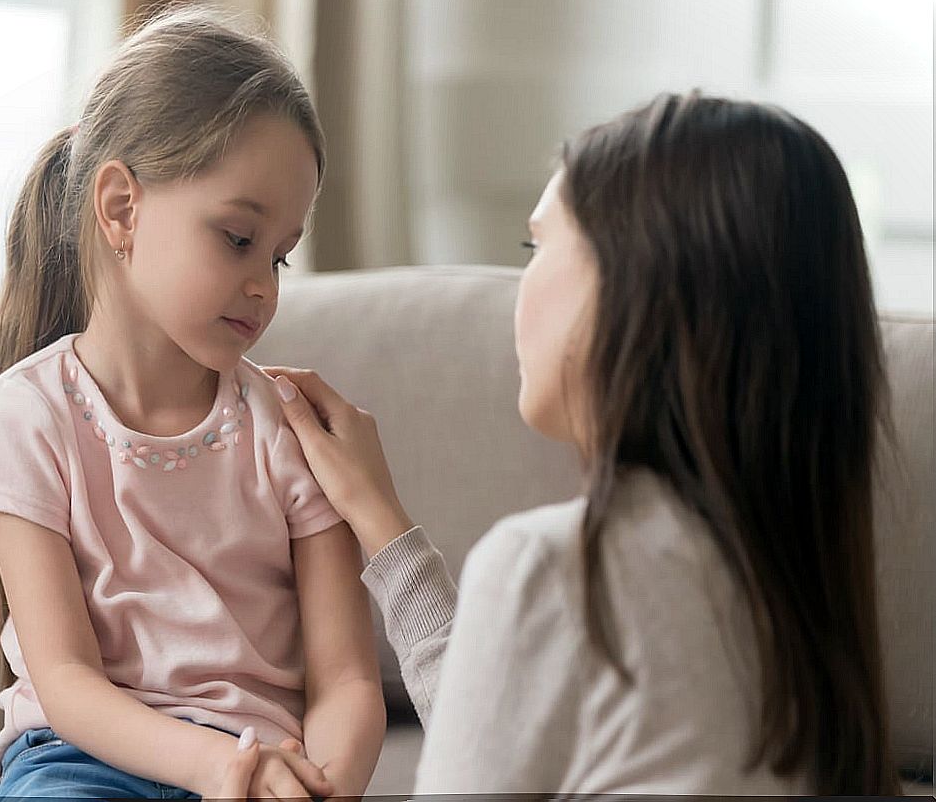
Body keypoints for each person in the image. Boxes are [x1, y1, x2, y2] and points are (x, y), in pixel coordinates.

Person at [260, 92, 903, 793]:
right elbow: (508, 730)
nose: (520, 289)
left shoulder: (557, 569)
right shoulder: (801, 588)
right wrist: (381, 521)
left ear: (639, 286)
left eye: (539, 247)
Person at [0, 3, 385, 800]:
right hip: (77, 759)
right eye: (238, 238)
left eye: (282, 257)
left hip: (263, 763)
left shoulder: (289, 431)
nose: (264, 284)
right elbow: (69, 681)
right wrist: (217, 768)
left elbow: (348, 680)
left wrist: (323, 786)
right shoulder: (23, 417)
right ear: (121, 208)